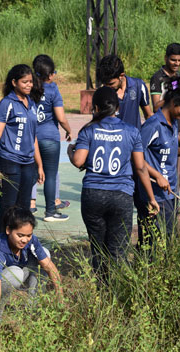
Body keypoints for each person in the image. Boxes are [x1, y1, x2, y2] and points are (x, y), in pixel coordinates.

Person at [69, 86, 160, 277]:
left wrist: (71, 151)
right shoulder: (131, 131)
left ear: (95, 107)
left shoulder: (89, 130)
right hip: (122, 194)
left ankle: (101, 291)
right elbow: (141, 166)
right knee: (118, 249)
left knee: (98, 247)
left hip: (93, 193)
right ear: (117, 108)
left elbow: (78, 161)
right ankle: (118, 290)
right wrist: (151, 198)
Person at [0, 206, 62, 326]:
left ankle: (33, 308)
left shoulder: (31, 240)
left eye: (28, 235)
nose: (25, 240)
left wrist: (60, 297)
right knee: (15, 274)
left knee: (44, 255)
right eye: (20, 235)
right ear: (8, 230)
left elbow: (49, 267)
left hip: (6, 274)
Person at [136, 78, 180, 251]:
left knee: (168, 240)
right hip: (154, 194)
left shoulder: (171, 124)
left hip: (169, 193)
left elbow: (167, 148)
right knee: (152, 243)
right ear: (173, 102)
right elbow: (136, 157)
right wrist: (156, 176)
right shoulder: (153, 124)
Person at [0, 64, 45, 235]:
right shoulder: (6, 103)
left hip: (28, 162)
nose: (29, 85)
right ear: (14, 82)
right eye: (24, 82)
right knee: (8, 206)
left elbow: (33, 137)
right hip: (8, 160)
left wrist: (39, 165)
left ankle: (19, 245)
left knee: (24, 208)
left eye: (31, 82)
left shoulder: (31, 103)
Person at [28, 54, 73, 222]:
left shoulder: (29, 87)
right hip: (49, 138)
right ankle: (50, 212)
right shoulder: (53, 89)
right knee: (50, 175)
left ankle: (29, 205)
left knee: (31, 171)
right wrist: (68, 130)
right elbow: (60, 117)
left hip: (31, 137)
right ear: (51, 74)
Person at [150, 42, 180, 184]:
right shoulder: (158, 78)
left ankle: (175, 201)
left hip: (177, 127)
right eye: (173, 60)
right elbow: (156, 106)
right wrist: (170, 95)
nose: (177, 63)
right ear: (166, 58)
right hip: (163, 128)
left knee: (178, 168)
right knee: (164, 165)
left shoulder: (179, 77)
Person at [96, 54, 153, 129]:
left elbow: (148, 115)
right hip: (114, 139)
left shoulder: (138, 85)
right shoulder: (102, 95)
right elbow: (97, 123)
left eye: (111, 84)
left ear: (121, 76)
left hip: (134, 139)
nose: (107, 87)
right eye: (105, 84)